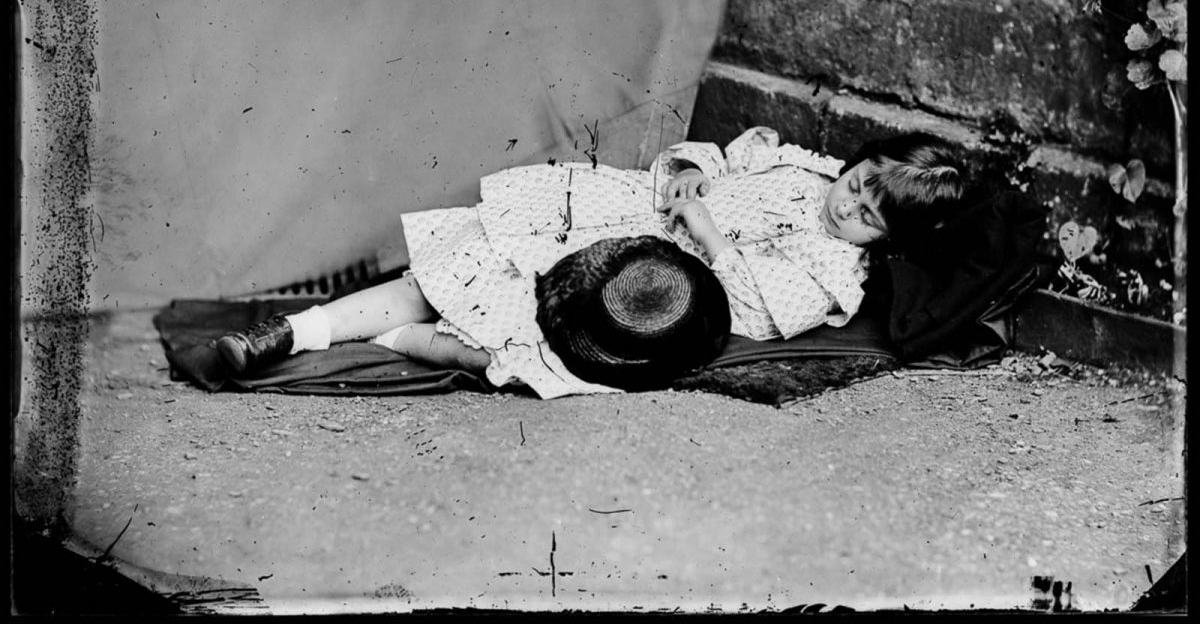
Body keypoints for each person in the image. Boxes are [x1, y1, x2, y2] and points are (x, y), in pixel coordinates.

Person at [215, 127, 967, 397]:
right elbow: (718, 154)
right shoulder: (804, 169)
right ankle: (296, 331)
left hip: (653, 282)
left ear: (884, 241)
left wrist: (708, 234)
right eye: (861, 184)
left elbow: (763, 310)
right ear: (860, 161)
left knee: (524, 330)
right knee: (465, 261)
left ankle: (389, 338)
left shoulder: (834, 272)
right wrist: (690, 174)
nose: (848, 206)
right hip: (622, 213)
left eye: (869, 217)